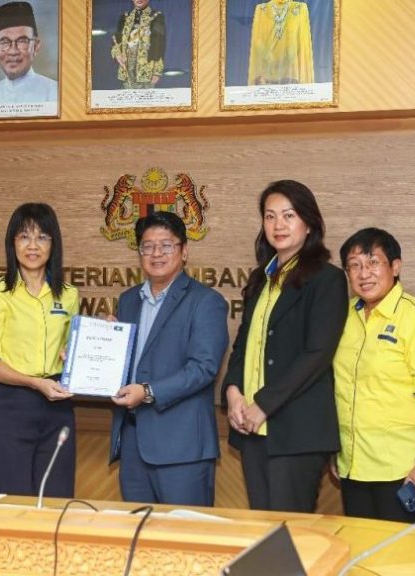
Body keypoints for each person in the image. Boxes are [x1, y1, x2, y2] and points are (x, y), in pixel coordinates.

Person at [223, 180, 347, 512]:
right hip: (252, 430)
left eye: (289, 215)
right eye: (270, 216)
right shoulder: (261, 279)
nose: (278, 225)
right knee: (265, 530)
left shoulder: (327, 279)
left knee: (289, 531)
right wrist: (233, 391)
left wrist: (264, 405)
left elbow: (317, 355)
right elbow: (243, 345)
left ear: (309, 224)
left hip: (296, 432)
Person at [110, 212, 228, 506]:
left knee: (184, 531)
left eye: (166, 245)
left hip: (182, 448)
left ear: (184, 251)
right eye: (148, 246)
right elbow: (124, 364)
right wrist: (91, 352)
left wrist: (148, 391)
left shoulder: (205, 301)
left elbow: (203, 368)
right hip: (133, 445)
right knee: (137, 531)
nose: (156, 254)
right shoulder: (128, 300)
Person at [332, 228, 415, 522]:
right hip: (352, 465)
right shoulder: (343, 316)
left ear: (395, 266)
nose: (364, 273)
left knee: (400, 550)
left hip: (401, 469)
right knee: (360, 548)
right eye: (354, 265)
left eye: (373, 262)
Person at [0, 203, 79, 497]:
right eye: (24, 236)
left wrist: (91, 341)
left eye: (42, 237)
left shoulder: (68, 295)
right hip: (11, 405)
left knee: (56, 496)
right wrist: (34, 383)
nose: (33, 246)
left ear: (53, 244)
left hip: (58, 405)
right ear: (12, 243)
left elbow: (70, 349)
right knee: (10, 500)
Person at [0, 1, 57, 110]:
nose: (13, 51)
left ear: (36, 46)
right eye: (5, 42)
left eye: (22, 41)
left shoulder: (56, 94)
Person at [248, 0, 315, 85]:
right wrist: (268, 56)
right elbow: (257, 41)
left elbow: (302, 41)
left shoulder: (300, 8)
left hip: (292, 72)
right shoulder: (261, 9)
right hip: (267, 72)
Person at [111, 0, 166, 89]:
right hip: (127, 65)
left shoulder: (156, 16)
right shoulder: (125, 16)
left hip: (147, 67)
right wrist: (117, 55)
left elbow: (159, 44)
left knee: (145, 95)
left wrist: (157, 71)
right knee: (128, 94)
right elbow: (116, 40)